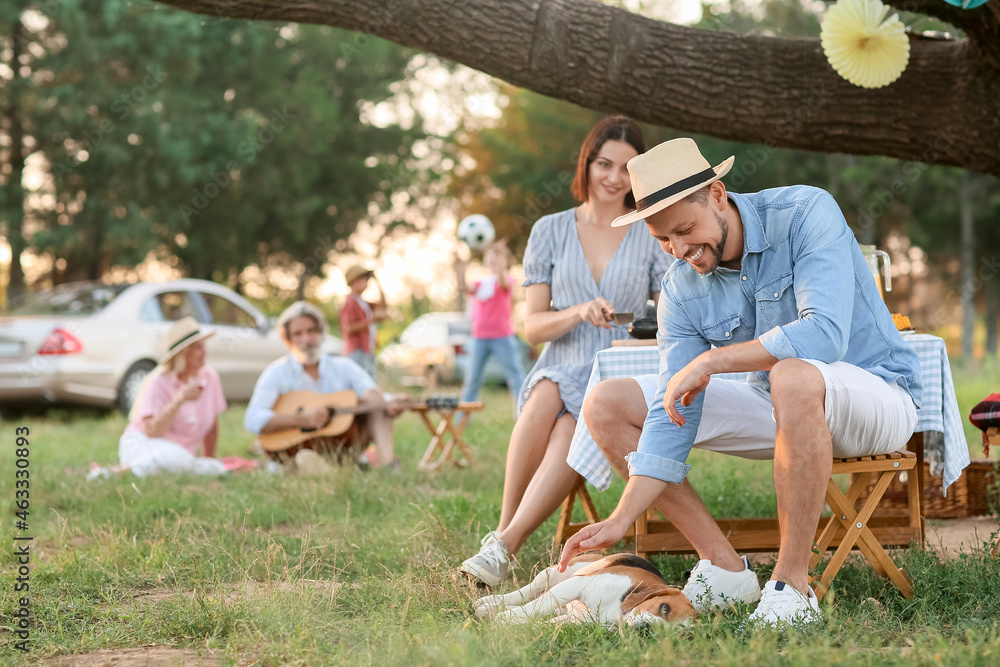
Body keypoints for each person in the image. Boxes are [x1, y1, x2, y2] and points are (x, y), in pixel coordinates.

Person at [558, 138, 923, 628]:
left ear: (716, 193)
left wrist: (713, 360)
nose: (680, 251)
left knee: (791, 373)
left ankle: (792, 589)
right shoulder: (680, 288)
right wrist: (622, 517)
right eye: (664, 240)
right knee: (608, 402)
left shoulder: (803, 212)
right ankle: (726, 568)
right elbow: (675, 416)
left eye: (685, 230)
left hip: (876, 394)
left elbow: (826, 336)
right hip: (775, 404)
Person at [458, 115, 673, 586]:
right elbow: (532, 327)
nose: (615, 178)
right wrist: (578, 312)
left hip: (615, 366)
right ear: (587, 164)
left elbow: (670, 317)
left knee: (570, 418)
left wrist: (639, 334)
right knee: (551, 389)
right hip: (560, 358)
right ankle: (504, 536)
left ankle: (501, 545)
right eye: (604, 164)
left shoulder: (652, 231)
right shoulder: (550, 230)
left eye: (627, 168)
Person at [245, 301, 403, 468]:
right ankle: (312, 466)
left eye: (311, 331)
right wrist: (300, 419)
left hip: (343, 445)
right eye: (297, 334)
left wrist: (390, 401)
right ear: (288, 339)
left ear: (321, 333)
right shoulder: (276, 372)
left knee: (375, 398)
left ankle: (388, 464)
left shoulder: (344, 367)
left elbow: (372, 395)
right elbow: (252, 419)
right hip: (292, 449)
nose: (305, 339)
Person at [112, 317, 229, 478]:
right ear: (183, 353)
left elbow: (212, 426)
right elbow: (152, 432)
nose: (204, 352)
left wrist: (209, 459)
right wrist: (179, 400)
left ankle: (135, 471)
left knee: (213, 468)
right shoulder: (159, 383)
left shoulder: (210, 378)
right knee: (177, 459)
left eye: (203, 346)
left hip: (182, 456)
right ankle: (116, 473)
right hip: (143, 444)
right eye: (198, 348)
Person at [457, 240, 527, 411]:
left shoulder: (507, 280)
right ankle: (462, 420)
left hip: (502, 337)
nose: (491, 260)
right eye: (489, 257)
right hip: (479, 338)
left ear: (504, 261)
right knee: (472, 380)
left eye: (495, 257)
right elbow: (464, 288)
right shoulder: (481, 283)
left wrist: (501, 260)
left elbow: (503, 283)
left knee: (515, 377)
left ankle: (523, 414)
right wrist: (460, 266)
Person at [339, 265, 387, 379]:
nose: (367, 283)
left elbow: (383, 304)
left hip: (367, 349)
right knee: (360, 383)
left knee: (369, 382)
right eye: (364, 279)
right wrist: (372, 320)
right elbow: (348, 328)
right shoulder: (350, 302)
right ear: (354, 281)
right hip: (357, 350)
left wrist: (377, 282)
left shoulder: (362, 302)